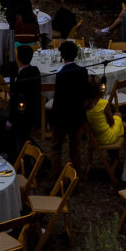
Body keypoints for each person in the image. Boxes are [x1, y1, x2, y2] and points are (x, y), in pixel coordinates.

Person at [48, 40, 88, 173]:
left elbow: (58, 99)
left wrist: (51, 119)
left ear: (62, 56)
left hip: (61, 117)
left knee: (56, 148)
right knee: (75, 147)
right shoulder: (83, 72)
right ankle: (76, 176)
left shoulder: (61, 75)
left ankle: (56, 178)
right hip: (76, 115)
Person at [5, 44, 41, 160]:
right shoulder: (35, 71)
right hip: (32, 111)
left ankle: (26, 163)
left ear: (18, 59)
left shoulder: (22, 78)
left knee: (21, 141)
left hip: (21, 115)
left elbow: (16, 100)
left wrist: (11, 120)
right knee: (26, 137)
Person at [83, 75, 124, 145]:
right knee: (119, 116)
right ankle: (114, 154)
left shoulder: (84, 105)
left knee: (120, 122)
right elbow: (112, 122)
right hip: (107, 138)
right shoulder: (103, 103)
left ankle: (113, 154)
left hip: (95, 137)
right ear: (100, 88)